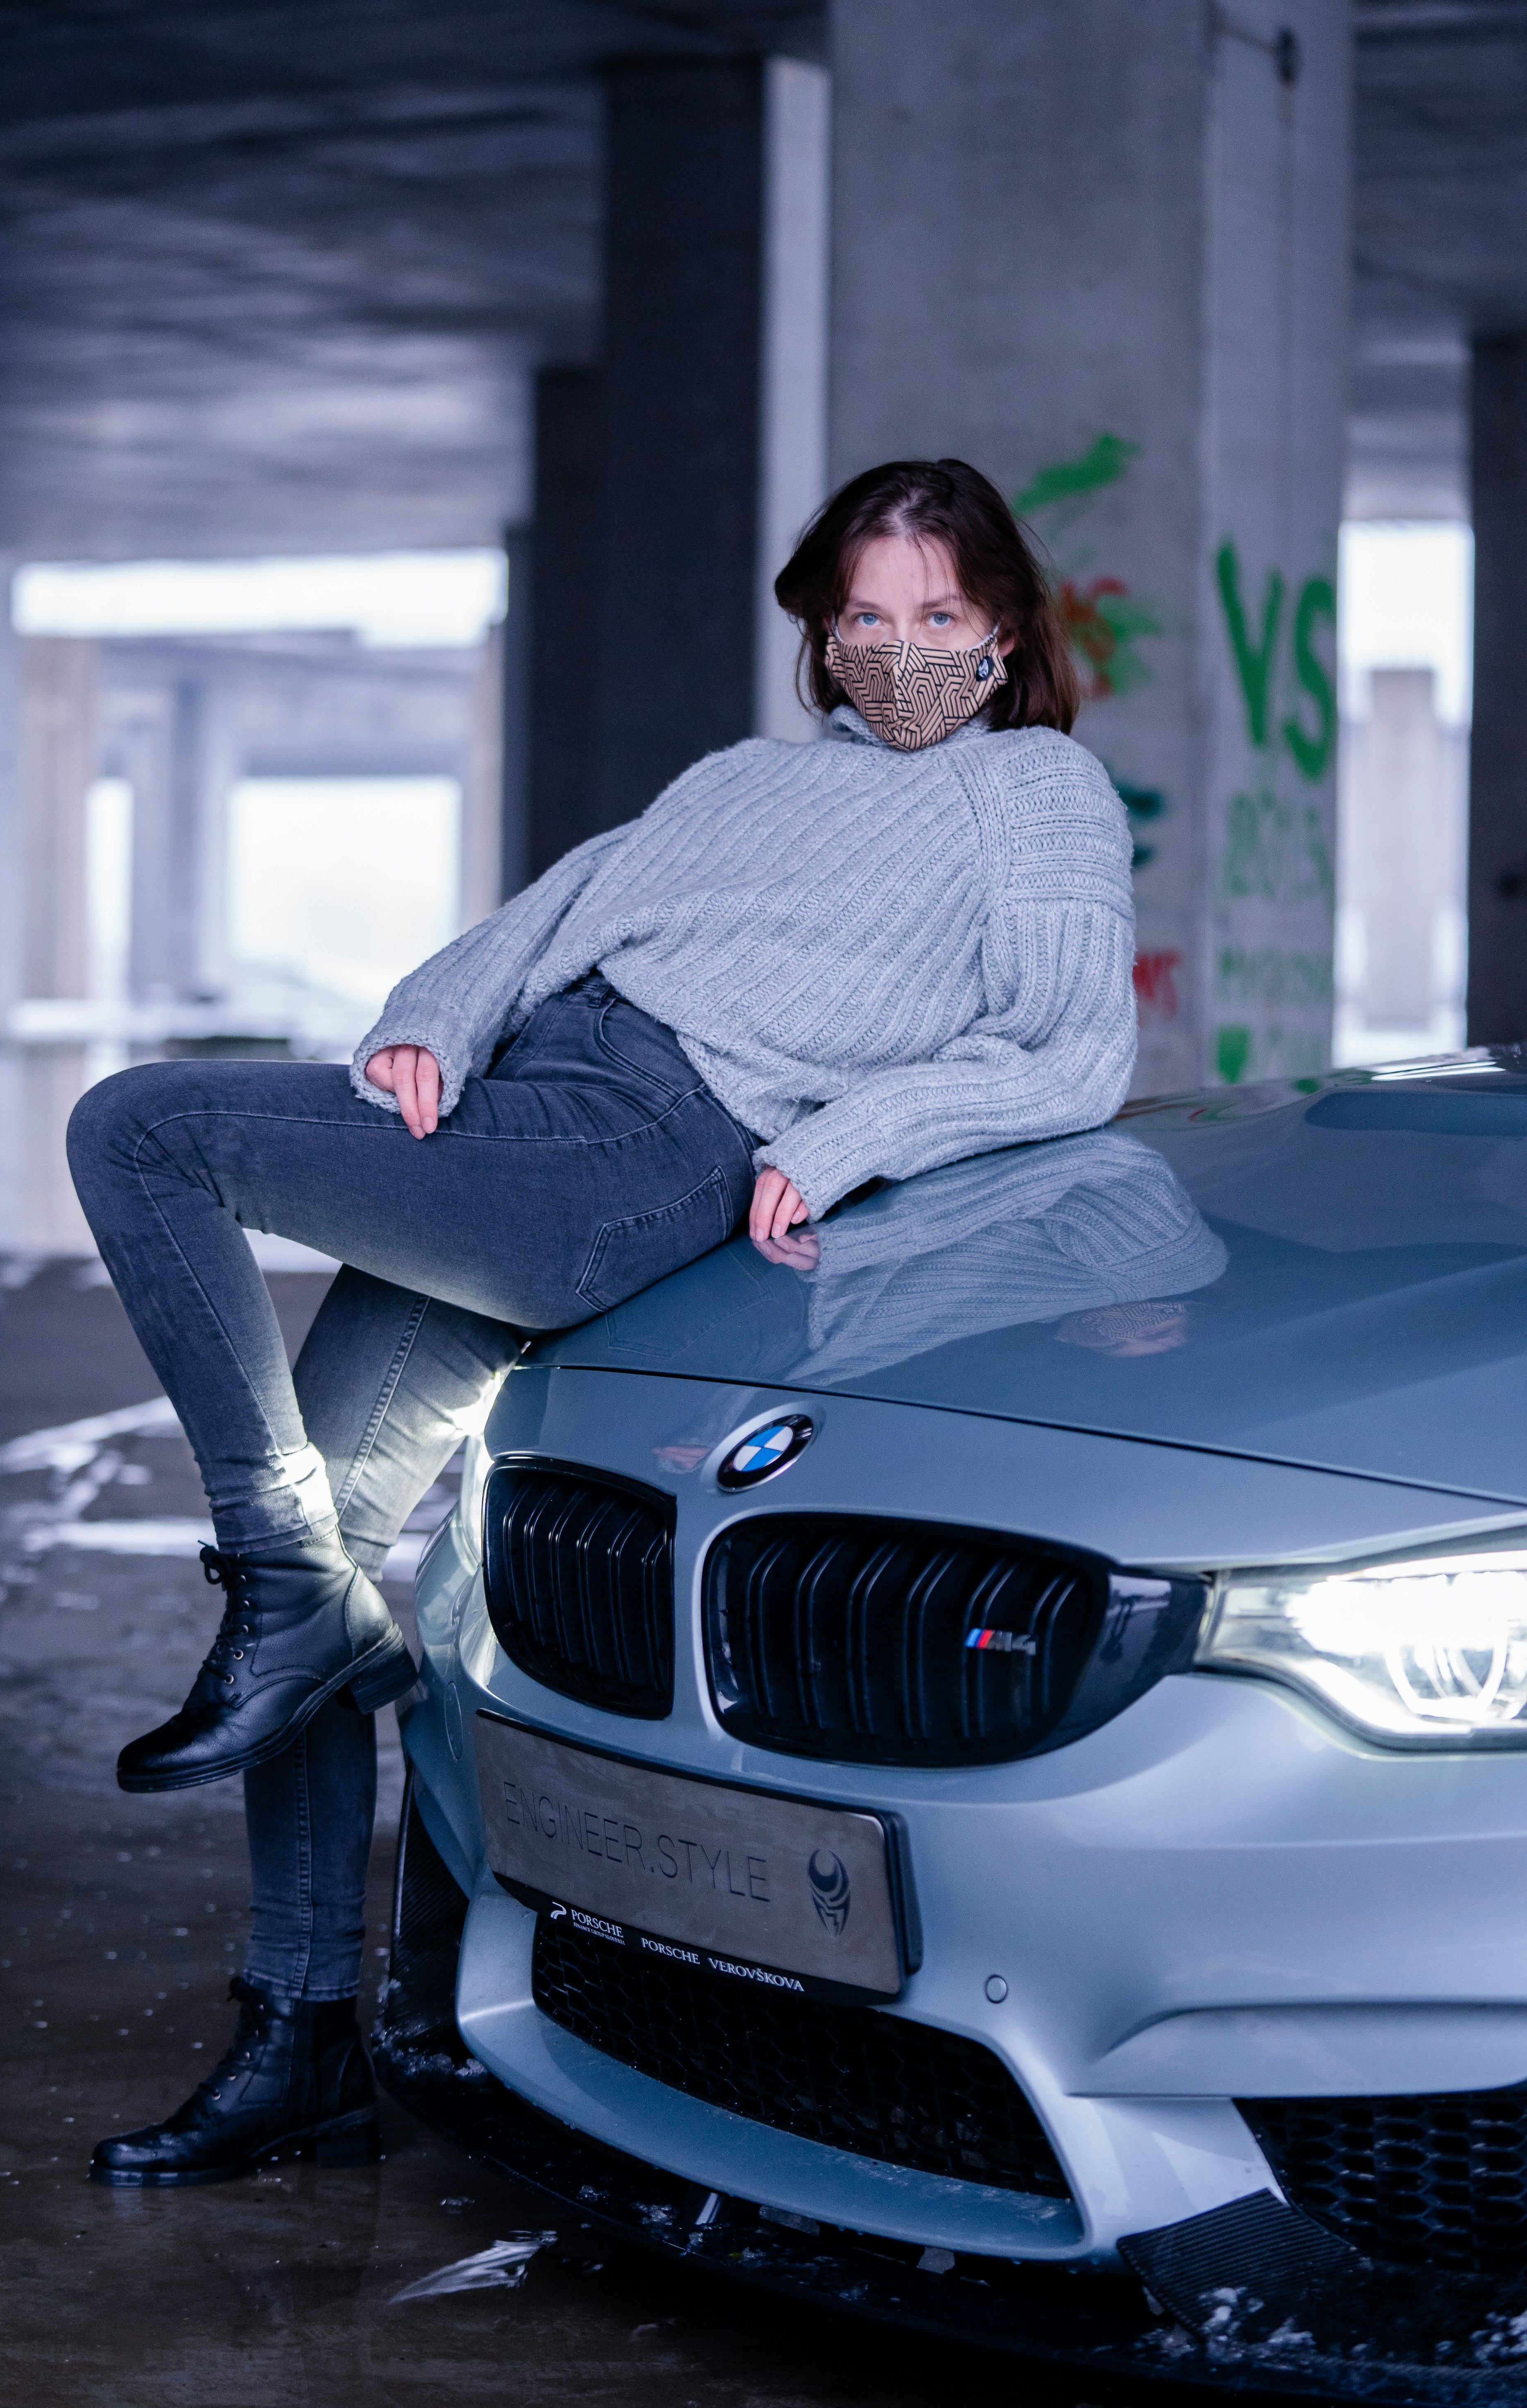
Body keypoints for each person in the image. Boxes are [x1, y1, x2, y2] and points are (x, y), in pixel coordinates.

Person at [66, 455, 1138, 2186]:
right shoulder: (742, 780)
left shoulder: (1036, 793)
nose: (899, 650)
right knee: (335, 1568)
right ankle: (300, 2040)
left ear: (1003, 629)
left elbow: (1070, 1050)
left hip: (650, 1146)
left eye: (937, 616)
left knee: (140, 1129)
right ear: (822, 630)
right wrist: (435, 1014)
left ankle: (276, 1590)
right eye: (864, 617)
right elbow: (551, 919)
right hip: (522, 1110)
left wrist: (847, 1137)